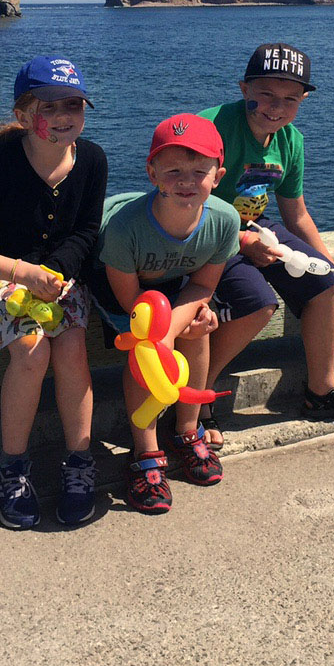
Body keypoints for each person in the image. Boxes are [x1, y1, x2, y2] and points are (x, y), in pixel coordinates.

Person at [0, 55, 108, 529]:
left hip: (56, 280)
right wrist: (22, 273)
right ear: (25, 115)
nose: (66, 114)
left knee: (72, 350)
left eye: (75, 103)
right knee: (31, 352)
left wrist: (51, 272)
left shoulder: (91, 159)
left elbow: (87, 231)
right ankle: (12, 469)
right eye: (51, 106)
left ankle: (78, 464)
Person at [198, 43, 334, 450]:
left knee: (324, 282)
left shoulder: (291, 140)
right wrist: (241, 241)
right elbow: (183, 204)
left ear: (303, 100)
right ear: (243, 87)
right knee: (259, 303)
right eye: (265, 95)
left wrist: (330, 268)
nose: (276, 107)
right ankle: (197, 393)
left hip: (254, 226)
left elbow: (295, 212)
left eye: (290, 99)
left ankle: (322, 390)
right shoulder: (210, 128)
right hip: (206, 234)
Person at [91, 113, 240, 514]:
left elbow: (204, 285)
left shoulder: (225, 220)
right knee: (145, 348)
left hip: (175, 282)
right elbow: (129, 300)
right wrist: (161, 336)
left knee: (199, 330)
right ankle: (145, 449)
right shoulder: (125, 229)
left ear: (218, 174)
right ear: (152, 173)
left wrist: (179, 326)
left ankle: (188, 430)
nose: (186, 181)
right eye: (172, 170)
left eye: (199, 171)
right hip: (120, 283)